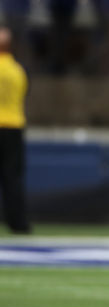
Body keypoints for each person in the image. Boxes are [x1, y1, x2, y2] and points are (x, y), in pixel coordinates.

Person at [0, 27, 31, 234]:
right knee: (12, 178)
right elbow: (23, 95)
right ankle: (18, 224)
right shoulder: (18, 71)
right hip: (13, 127)